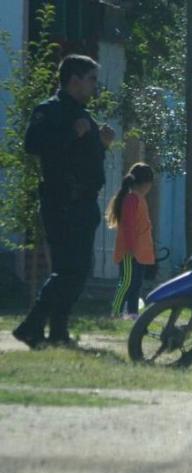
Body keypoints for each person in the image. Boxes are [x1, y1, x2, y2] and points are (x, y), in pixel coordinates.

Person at [12, 54, 115, 349]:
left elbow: (84, 160)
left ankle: (57, 331)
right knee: (71, 269)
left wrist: (101, 145)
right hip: (63, 202)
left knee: (74, 270)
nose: (95, 86)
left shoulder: (84, 115)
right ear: (74, 80)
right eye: (92, 79)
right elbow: (33, 144)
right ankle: (31, 326)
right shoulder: (52, 111)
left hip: (83, 204)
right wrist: (73, 132)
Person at [108, 163, 156, 320]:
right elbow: (128, 226)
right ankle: (115, 312)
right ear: (145, 183)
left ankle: (133, 313)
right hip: (130, 252)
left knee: (136, 284)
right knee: (126, 282)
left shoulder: (140, 199)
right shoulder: (131, 199)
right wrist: (129, 247)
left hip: (140, 252)